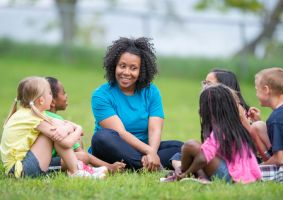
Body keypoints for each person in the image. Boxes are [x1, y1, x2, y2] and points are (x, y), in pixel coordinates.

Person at [90, 37, 183, 171]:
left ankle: (141, 165)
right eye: (122, 66)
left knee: (181, 147)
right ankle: (152, 166)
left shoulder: (151, 92)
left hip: (144, 149)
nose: (126, 72)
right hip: (113, 149)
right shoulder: (101, 95)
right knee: (101, 137)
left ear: (141, 71)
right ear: (114, 66)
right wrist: (149, 152)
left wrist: (152, 152)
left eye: (133, 68)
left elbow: (155, 129)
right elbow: (120, 132)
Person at [167, 69, 267, 178]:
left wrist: (185, 173)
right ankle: (191, 174)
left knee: (190, 148)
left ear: (222, 90)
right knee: (182, 154)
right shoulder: (225, 118)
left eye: (208, 84)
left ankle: (184, 174)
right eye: (204, 83)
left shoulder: (229, 119)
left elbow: (203, 157)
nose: (204, 87)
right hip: (239, 169)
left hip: (234, 174)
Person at [0, 76, 106, 178]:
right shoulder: (32, 117)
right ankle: (75, 171)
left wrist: (68, 127)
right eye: (50, 93)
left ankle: (79, 168)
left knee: (57, 131)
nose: (52, 97)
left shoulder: (29, 113)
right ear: (41, 100)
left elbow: (61, 123)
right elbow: (66, 142)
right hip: (20, 170)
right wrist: (78, 129)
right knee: (55, 134)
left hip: (23, 165)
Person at [45, 76, 125, 173]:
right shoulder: (55, 120)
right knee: (82, 156)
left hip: (51, 157)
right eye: (63, 92)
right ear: (52, 102)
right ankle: (107, 168)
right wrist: (106, 165)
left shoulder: (44, 116)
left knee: (78, 142)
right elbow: (78, 150)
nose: (66, 95)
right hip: (46, 164)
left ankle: (80, 166)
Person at [250, 67, 283, 182]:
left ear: (266, 90)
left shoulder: (277, 119)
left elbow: (279, 159)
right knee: (259, 126)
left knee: (248, 173)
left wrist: (262, 165)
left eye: (257, 90)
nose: (256, 94)